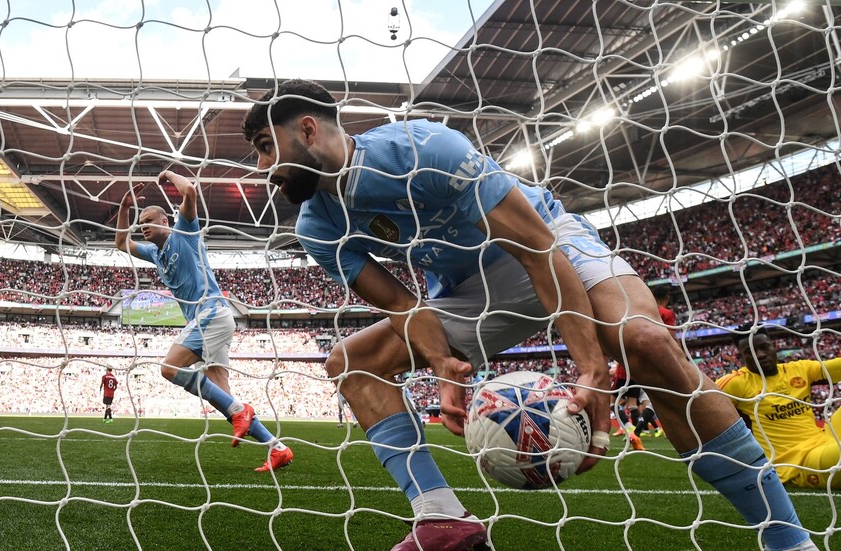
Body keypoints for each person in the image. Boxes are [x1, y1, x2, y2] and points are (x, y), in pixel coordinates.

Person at [242, 79, 814, 551]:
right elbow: (401, 304)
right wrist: (441, 362)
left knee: (643, 340)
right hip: (467, 284)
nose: (263, 168)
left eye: (265, 147)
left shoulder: (424, 148)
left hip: (545, 241)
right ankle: (443, 520)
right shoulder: (316, 225)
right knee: (353, 362)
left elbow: (537, 247)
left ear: (307, 129)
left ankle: (788, 539)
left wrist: (592, 367)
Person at [115, 171, 293, 472]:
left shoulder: (184, 233)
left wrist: (168, 174)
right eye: (140, 221)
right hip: (209, 321)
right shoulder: (155, 253)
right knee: (224, 397)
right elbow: (121, 243)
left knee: (169, 368)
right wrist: (124, 207)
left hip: (211, 313)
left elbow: (191, 192)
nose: (142, 225)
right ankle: (277, 448)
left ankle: (241, 413)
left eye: (148, 219)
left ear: (164, 222)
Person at [717, 324, 841, 488]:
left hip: (825, 439)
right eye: (751, 352)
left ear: (774, 346)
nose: (760, 355)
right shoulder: (737, 383)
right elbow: (697, 400)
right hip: (800, 463)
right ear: (742, 356)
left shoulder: (798, 369)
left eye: (764, 347)